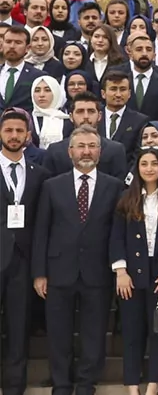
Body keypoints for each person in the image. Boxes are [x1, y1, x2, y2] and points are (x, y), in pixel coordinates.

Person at [32, 125, 122, 395]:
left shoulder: (115, 186)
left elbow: (118, 233)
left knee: (94, 334)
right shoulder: (51, 186)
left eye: (91, 146)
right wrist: (39, 273)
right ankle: (61, 384)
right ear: (70, 151)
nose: (86, 151)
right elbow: (41, 231)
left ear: (100, 151)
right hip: (59, 271)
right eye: (80, 146)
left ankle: (86, 384)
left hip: (98, 272)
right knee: (58, 333)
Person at [111, 148, 158, 395]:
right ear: (137, 169)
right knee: (131, 329)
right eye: (144, 164)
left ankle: (153, 385)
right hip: (131, 275)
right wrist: (120, 271)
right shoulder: (126, 198)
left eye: (154, 164)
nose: (149, 168)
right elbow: (116, 238)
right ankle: (132, 386)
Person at [0, 108, 48, 395]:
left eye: (20, 131)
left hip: (23, 261)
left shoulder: (40, 174)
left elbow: (42, 224)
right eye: (9, 130)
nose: (14, 135)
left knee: (18, 328)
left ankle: (14, 387)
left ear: (28, 135)